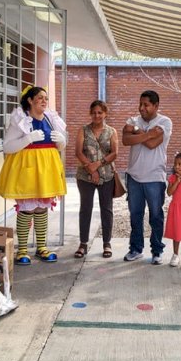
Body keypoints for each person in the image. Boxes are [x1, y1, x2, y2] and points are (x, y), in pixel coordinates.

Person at [0, 86, 67, 265]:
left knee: (42, 208)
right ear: (30, 100)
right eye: (40, 97)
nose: (44, 101)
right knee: (27, 210)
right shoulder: (21, 120)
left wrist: (62, 141)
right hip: (26, 170)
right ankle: (22, 250)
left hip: (47, 170)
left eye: (46, 98)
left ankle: (42, 247)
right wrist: (27, 138)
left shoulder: (51, 119)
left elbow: (59, 147)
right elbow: (8, 146)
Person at [122, 90, 173, 265]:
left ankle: (157, 251)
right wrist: (147, 132)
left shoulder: (165, 122)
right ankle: (136, 249)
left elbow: (152, 144)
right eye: (140, 104)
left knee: (156, 216)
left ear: (156, 106)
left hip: (155, 177)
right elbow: (126, 140)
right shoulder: (133, 120)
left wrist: (136, 132)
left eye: (146, 105)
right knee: (135, 215)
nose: (142, 108)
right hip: (134, 176)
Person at [74, 100, 118, 259]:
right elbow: (78, 152)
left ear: (105, 114)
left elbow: (114, 153)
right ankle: (83, 243)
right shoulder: (83, 130)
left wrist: (97, 165)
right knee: (85, 208)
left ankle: (107, 243)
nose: (97, 115)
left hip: (107, 176)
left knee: (107, 209)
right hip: (84, 176)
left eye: (100, 112)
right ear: (90, 113)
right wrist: (90, 169)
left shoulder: (111, 131)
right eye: (94, 112)